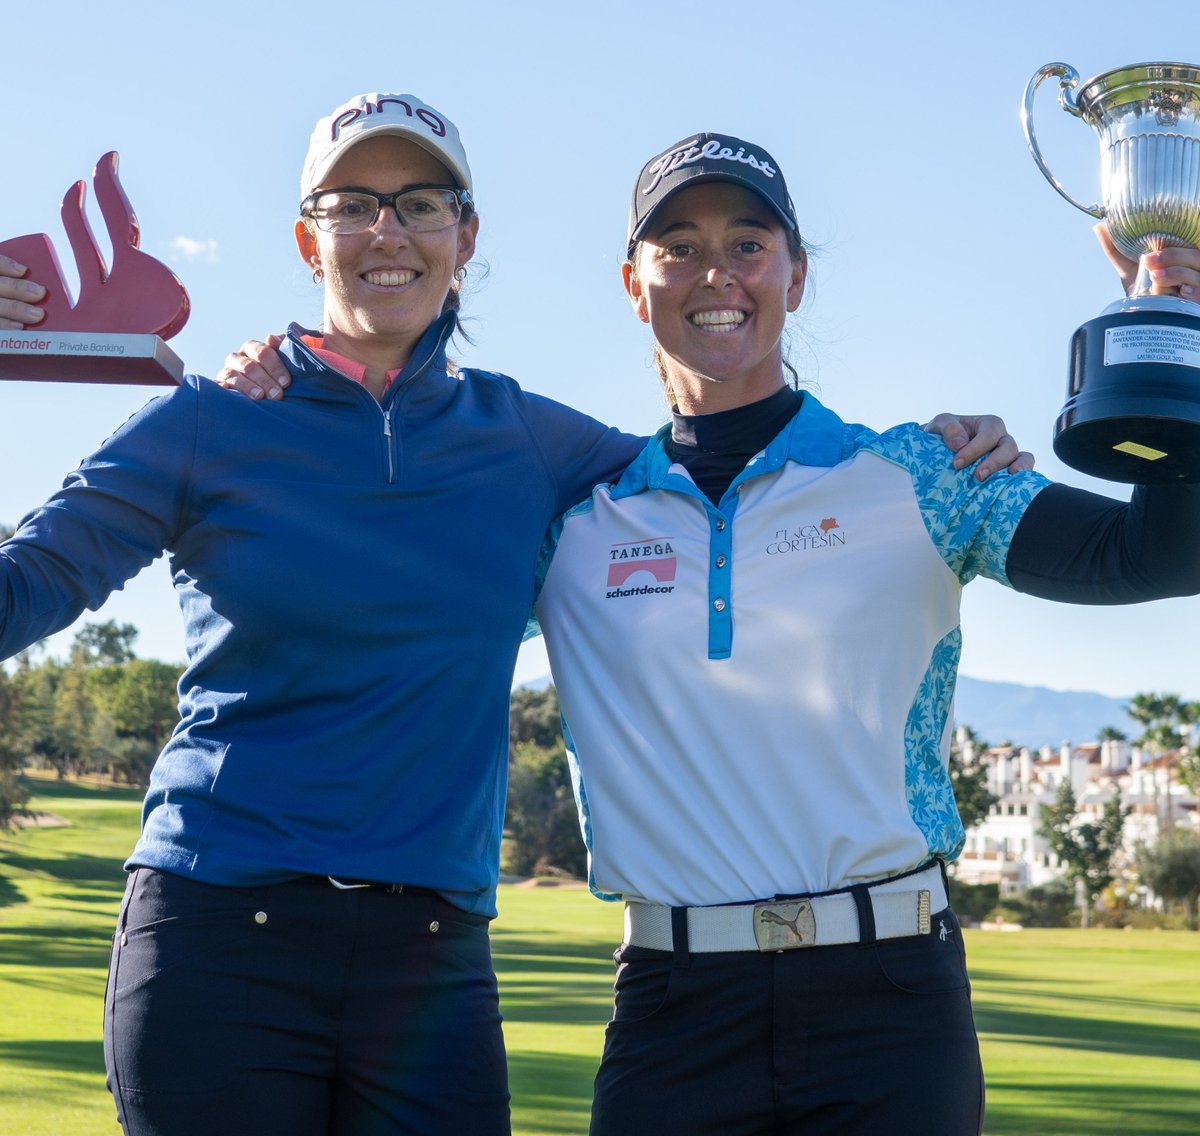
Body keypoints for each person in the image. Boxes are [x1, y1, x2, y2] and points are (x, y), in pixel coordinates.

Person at [0, 101, 1025, 1136]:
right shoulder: (213, 424)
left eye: (421, 204)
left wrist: (927, 448)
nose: (387, 231)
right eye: (352, 206)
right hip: (219, 933)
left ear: (466, 237)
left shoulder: (534, 445)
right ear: (310, 238)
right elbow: (24, 586)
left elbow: (734, 467)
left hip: (429, 958)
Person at [211, 129, 1200, 1136]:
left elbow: (1155, 555)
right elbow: (374, 609)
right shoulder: (570, 517)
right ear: (635, 285)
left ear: (797, 277)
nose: (714, 272)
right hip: (672, 1014)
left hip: (891, 1005)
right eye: (678, 245)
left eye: (749, 243)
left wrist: (1177, 330)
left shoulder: (927, 477)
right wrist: (299, 387)